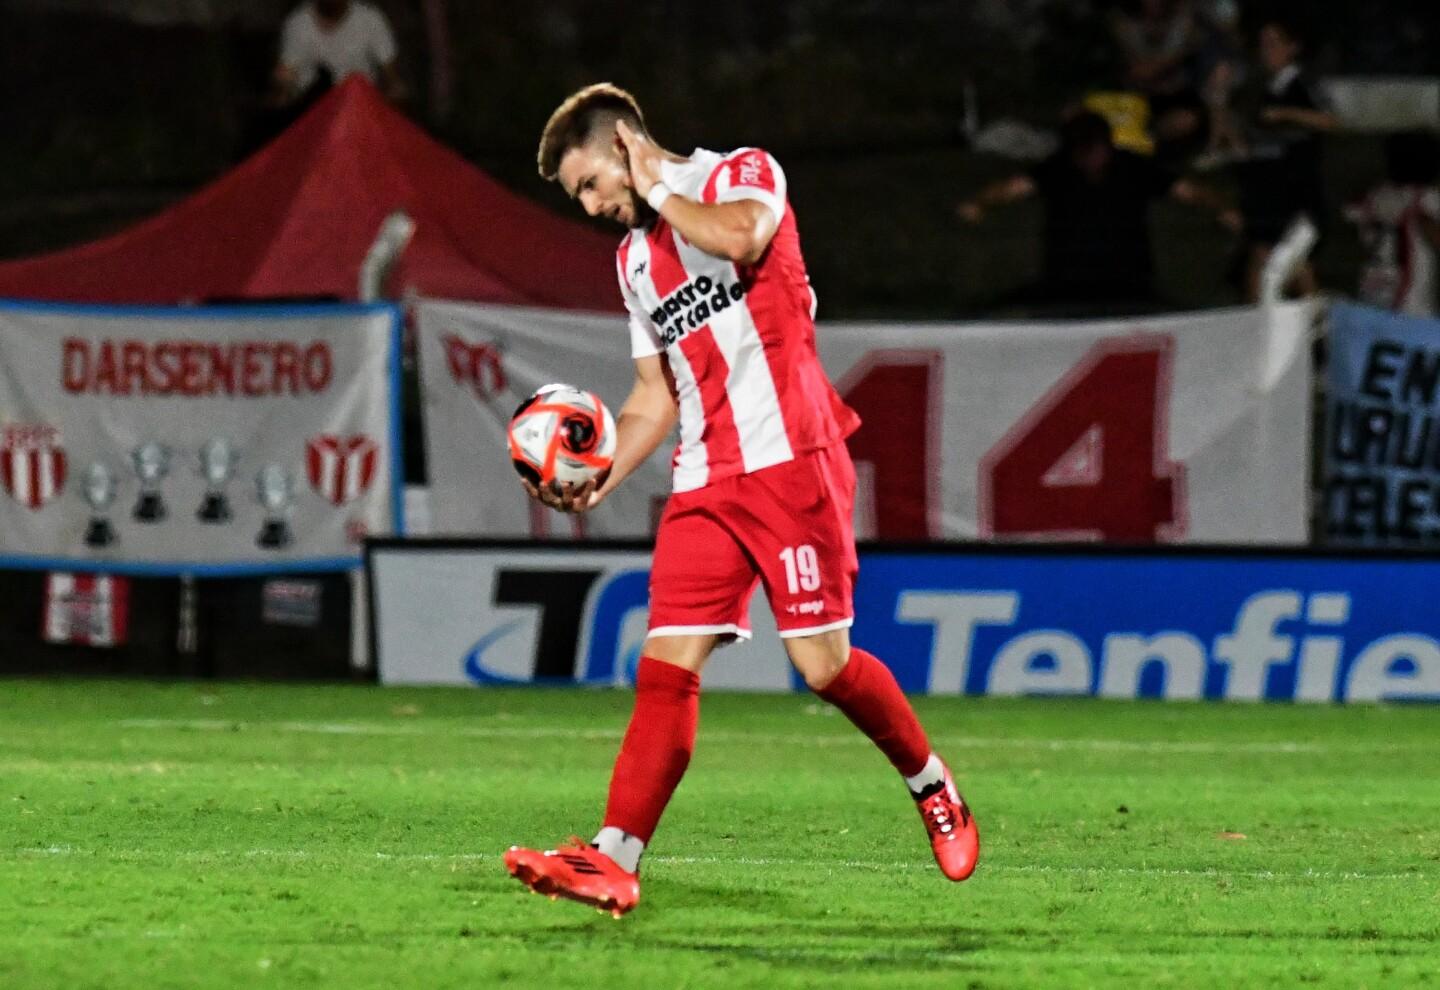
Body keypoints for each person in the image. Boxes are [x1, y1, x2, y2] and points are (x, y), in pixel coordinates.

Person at [503, 83, 980, 917]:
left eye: (589, 183)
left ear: (623, 146)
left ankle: (931, 782)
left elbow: (743, 235)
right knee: (666, 665)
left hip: (793, 459)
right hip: (705, 478)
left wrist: (655, 185)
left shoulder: (738, 175)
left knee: (822, 668)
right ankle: (612, 858)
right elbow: (654, 395)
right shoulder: (633, 263)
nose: (590, 205)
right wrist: (596, 479)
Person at [957, 110, 1242, 311]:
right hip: (1067, 281)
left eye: (1095, 149)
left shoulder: (1132, 167)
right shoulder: (1058, 169)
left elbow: (1187, 191)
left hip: (1128, 280)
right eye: (1083, 151)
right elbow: (1012, 188)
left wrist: (1223, 208)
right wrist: (978, 202)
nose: (1091, 158)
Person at [1236, 18, 1338, 302]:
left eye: (1273, 44)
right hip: (1267, 192)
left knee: (1294, 266)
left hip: (1298, 194)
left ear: (1292, 47)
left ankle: (1315, 337)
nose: (1265, 51)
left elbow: (1329, 121)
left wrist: (1285, 114)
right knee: (1265, 258)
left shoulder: (1303, 83)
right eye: (1262, 44)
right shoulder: (1260, 87)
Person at [1345, 130, 1440, 317]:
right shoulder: (1425, 199)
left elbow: (1352, 215)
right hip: (1410, 295)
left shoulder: (1375, 195)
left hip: (1374, 281)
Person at [269, 0, 403, 107]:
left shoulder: (370, 18)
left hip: (360, 106)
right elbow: (286, 73)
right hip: (313, 108)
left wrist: (393, 92)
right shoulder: (298, 23)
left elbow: (391, 74)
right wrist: (281, 89)